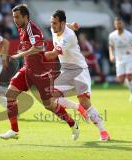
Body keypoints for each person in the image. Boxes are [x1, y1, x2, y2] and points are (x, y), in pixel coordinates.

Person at [0, 4, 87, 140]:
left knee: (49, 106)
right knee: (10, 94)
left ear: (25, 17)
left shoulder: (31, 29)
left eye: (17, 17)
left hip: (41, 73)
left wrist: (21, 54)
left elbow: (39, 47)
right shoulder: (22, 28)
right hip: (27, 70)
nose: (14, 20)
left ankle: (72, 123)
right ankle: (14, 130)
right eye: (13, 17)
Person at [45, 10, 110, 141]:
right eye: (51, 23)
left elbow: (53, 54)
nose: (52, 26)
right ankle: (77, 108)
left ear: (61, 23)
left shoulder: (68, 37)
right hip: (66, 71)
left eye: (55, 23)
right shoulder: (56, 29)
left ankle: (103, 132)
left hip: (79, 70)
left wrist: (35, 56)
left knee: (85, 102)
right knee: (50, 97)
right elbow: (65, 26)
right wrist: (71, 24)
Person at [109, 17, 132, 102]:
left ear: (123, 24)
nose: (118, 25)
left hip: (129, 58)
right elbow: (111, 46)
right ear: (115, 25)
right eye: (116, 24)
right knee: (120, 80)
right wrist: (111, 55)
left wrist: (131, 51)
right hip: (119, 59)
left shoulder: (129, 35)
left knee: (129, 76)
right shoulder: (112, 35)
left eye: (120, 23)